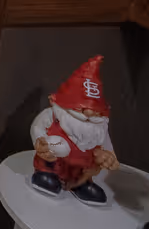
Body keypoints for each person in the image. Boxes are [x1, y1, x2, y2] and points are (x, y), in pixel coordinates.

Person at [27, 55, 119, 206]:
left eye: (94, 110)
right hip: (54, 163)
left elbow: (109, 152)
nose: (88, 114)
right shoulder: (55, 115)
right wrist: (40, 141)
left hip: (80, 172)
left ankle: (80, 185)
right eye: (81, 108)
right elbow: (38, 127)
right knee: (52, 160)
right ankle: (46, 174)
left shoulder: (99, 129)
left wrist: (107, 158)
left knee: (84, 174)